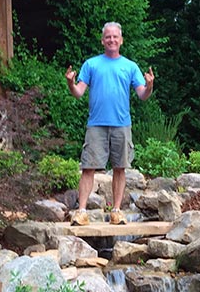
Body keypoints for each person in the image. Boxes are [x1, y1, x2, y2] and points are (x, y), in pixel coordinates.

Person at [65, 21, 154, 225]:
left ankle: (116, 211)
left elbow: (142, 95)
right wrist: (70, 83)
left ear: (121, 40)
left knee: (120, 167)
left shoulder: (130, 66)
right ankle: (81, 211)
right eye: (108, 37)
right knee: (88, 167)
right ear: (102, 40)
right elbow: (78, 93)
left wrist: (149, 86)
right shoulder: (91, 64)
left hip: (122, 124)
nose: (111, 40)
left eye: (115, 36)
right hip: (96, 124)